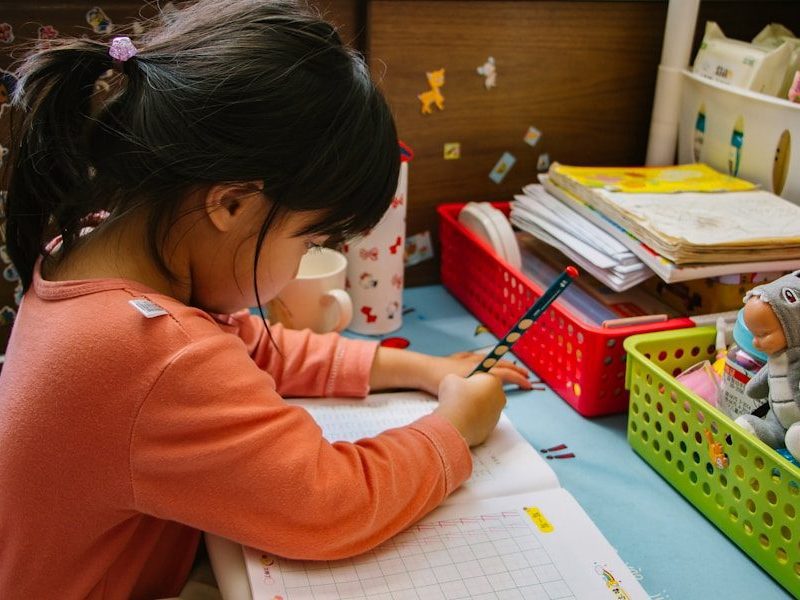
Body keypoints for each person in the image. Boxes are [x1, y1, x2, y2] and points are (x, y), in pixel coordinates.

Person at [0, 1, 531, 598]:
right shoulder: (152, 352)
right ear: (229, 205)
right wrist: (456, 428)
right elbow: (328, 503)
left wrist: (419, 369)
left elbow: (243, 347)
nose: (305, 263)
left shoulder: (94, 244)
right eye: (311, 242)